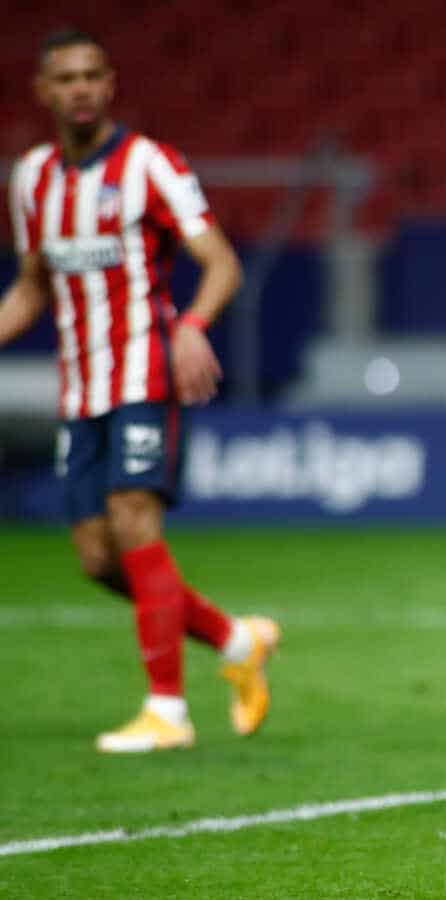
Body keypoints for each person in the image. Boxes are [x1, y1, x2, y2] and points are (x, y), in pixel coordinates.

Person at [0, 28, 279, 753]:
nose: (81, 89)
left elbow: (219, 262)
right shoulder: (31, 179)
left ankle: (168, 712)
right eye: (66, 78)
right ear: (44, 92)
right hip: (79, 387)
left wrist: (192, 324)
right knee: (98, 558)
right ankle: (236, 638)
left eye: (93, 75)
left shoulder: (149, 163)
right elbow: (33, 285)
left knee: (133, 520)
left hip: (142, 373)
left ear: (111, 83)